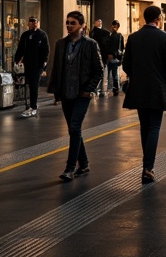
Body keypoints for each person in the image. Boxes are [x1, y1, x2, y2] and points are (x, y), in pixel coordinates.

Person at [122, 4, 166, 184]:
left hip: (138, 88)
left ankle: (147, 164)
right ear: (158, 19)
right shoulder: (164, 37)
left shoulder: (133, 37)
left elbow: (126, 64)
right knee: (154, 127)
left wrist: (136, 75)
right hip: (157, 88)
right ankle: (148, 167)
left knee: (144, 126)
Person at [47, 11, 103, 180]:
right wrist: (57, 92)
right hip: (66, 93)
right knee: (74, 130)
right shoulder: (60, 44)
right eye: (68, 23)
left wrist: (90, 88)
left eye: (73, 23)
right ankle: (84, 164)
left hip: (82, 93)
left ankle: (70, 168)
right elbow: (57, 69)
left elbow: (99, 70)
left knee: (74, 128)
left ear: (82, 26)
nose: (69, 26)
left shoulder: (90, 44)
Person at [14, 15, 49, 117]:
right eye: (31, 22)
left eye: (35, 22)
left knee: (34, 85)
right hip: (27, 64)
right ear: (28, 23)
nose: (33, 23)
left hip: (38, 65)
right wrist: (17, 59)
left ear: (37, 23)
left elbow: (46, 51)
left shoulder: (42, 35)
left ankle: (34, 106)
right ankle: (30, 104)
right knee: (29, 85)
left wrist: (44, 65)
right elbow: (20, 48)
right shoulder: (25, 35)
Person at [90, 18, 111, 95]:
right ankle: (102, 89)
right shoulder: (105, 33)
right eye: (98, 21)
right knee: (102, 73)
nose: (100, 23)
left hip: (98, 55)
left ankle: (98, 89)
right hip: (102, 55)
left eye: (100, 21)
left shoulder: (93, 33)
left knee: (99, 72)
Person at [105, 20, 125, 95]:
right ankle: (115, 89)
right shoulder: (118, 36)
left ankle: (111, 89)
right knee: (114, 74)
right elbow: (122, 48)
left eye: (115, 26)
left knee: (109, 74)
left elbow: (107, 46)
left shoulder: (111, 35)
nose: (114, 27)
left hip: (111, 57)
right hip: (114, 57)